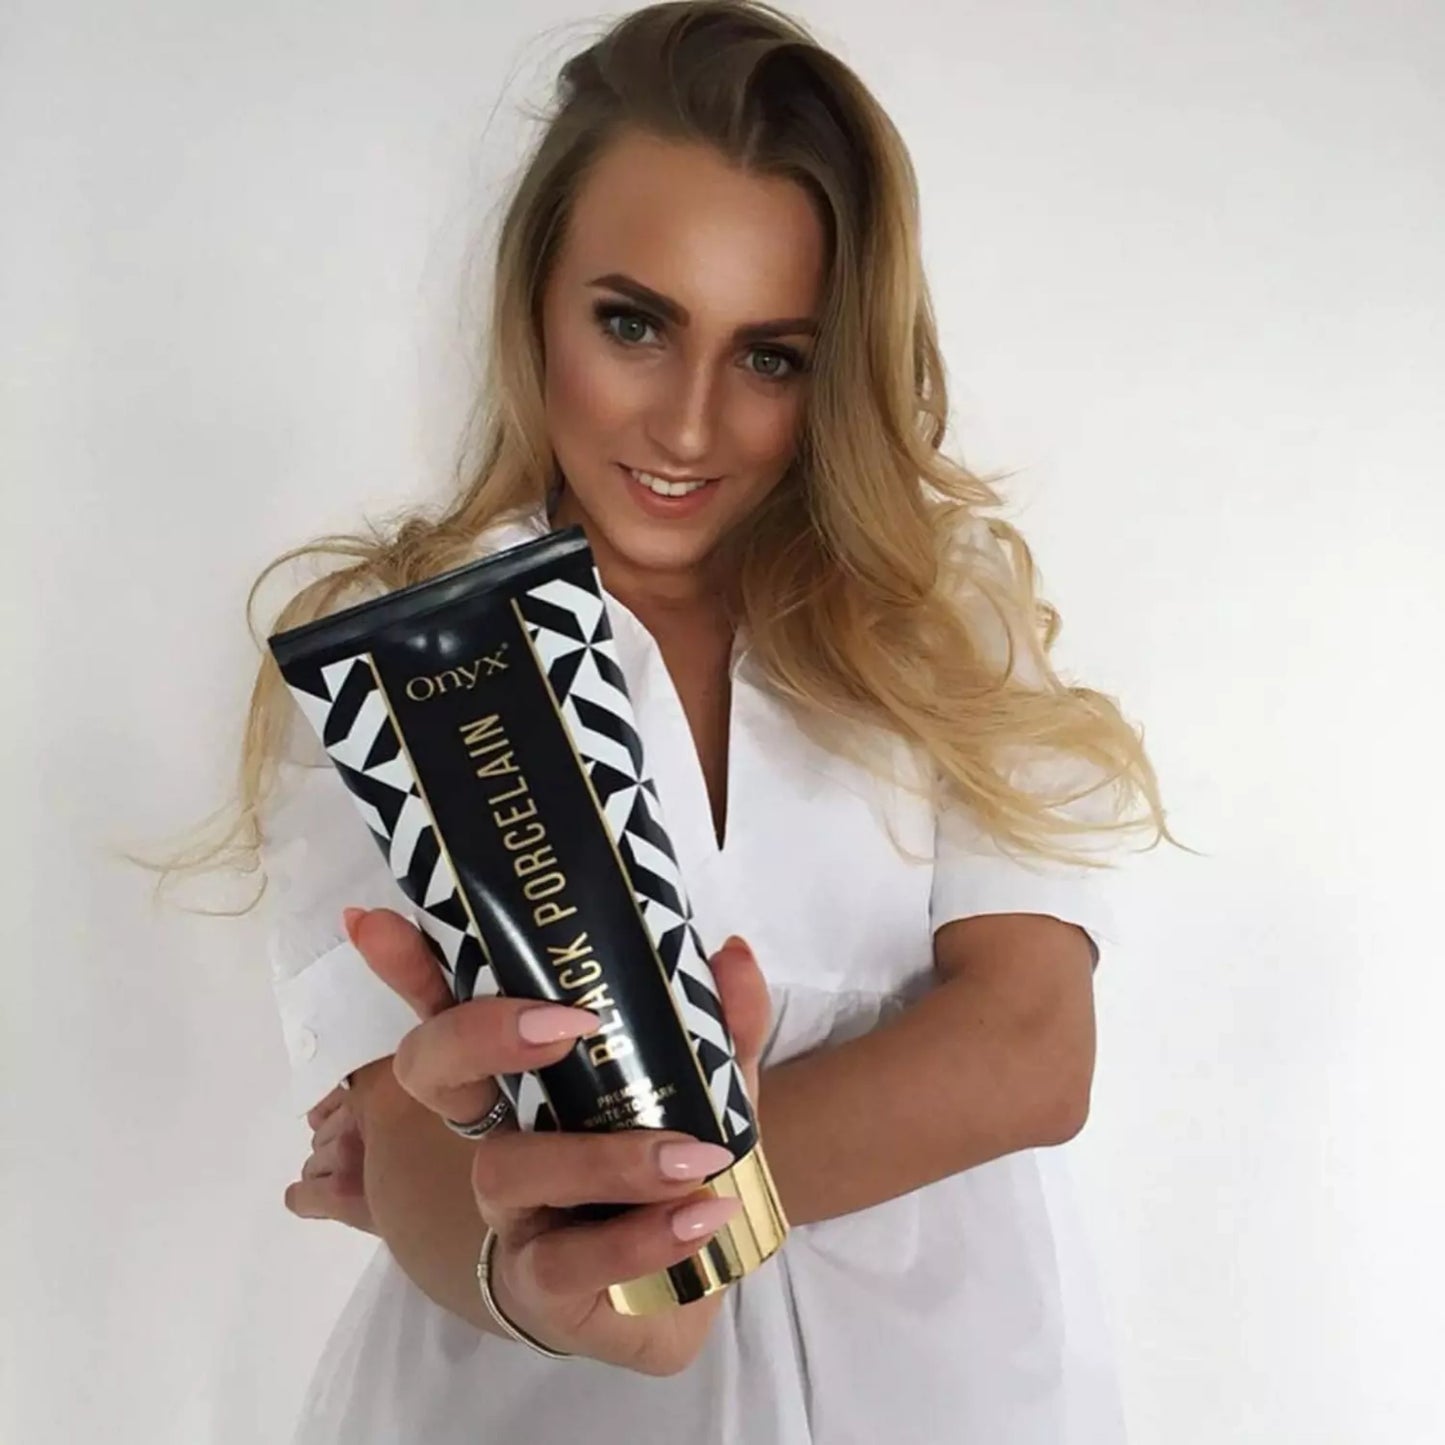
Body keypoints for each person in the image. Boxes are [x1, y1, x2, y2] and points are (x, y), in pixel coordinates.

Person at [221, 3, 1178, 1440]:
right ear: (534, 295)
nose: (684, 426)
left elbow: (1030, 1051)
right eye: (633, 323)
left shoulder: (942, 626)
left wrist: (647, 1212)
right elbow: (411, 1125)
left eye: (770, 356)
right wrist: (526, 1272)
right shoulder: (414, 649)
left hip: (949, 1397)